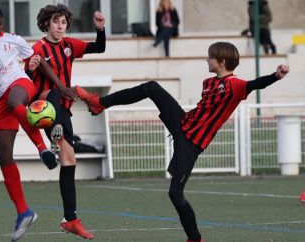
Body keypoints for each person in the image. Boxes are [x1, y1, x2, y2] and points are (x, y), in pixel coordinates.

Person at [75, 42, 289, 242]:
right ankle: (98, 103)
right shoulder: (209, 82)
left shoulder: (235, 85)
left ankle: (195, 238)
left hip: (191, 142)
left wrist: (276, 76)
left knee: (175, 193)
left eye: (210, 58)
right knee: (151, 87)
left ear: (221, 62)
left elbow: (255, 84)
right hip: (183, 123)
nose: (207, 60)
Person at [0, 5, 74, 242]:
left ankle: (43, 149)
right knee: (3, 155)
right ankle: (24, 211)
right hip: (1, 97)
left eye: (0, 23)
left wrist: (60, 86)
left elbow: (39, 61)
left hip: (21, 84)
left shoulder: (13, 39)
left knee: (15, 100)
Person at [25, 3, 105, 240]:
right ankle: (54, 133)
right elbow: (27, 79)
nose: (60, 26)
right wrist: (29, 69)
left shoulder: (70, 45)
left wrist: (100, 29)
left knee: (69, 161)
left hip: (62, 110)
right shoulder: (37, 48)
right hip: (42, 106)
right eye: (56, 22)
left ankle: (70, 219)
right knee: (55, 93)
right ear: (47, 23)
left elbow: (98, 48)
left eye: (63, 23)